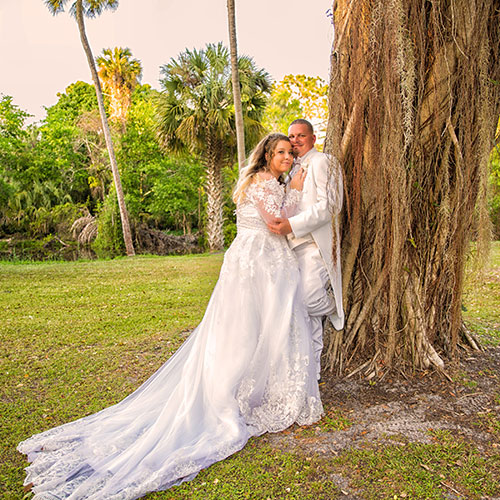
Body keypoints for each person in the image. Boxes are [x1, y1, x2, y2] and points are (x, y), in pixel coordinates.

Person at [17, 133, 323, 500]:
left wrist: (289, 189)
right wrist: (296, 193)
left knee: (256, 328)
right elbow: (276, 224)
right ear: (267, 156)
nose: (288, 158)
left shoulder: (264, 181)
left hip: (257, 261)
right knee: (248, 329)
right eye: (282, 153)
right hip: (258, 262)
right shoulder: (262, 183)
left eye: (290, 153)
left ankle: (259, 383)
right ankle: (237, 389)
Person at [267, 119, 344, 381]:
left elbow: (330, 206)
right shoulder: (289, 169)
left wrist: (293, 224)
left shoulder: (324, 162)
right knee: (302, 313)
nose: (295, 140)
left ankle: (334, 306)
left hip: (313, 245)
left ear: (313, 138)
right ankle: (312, 374)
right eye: (291, 136)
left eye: (301, 136)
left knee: (311, 300)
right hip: (289, 249)